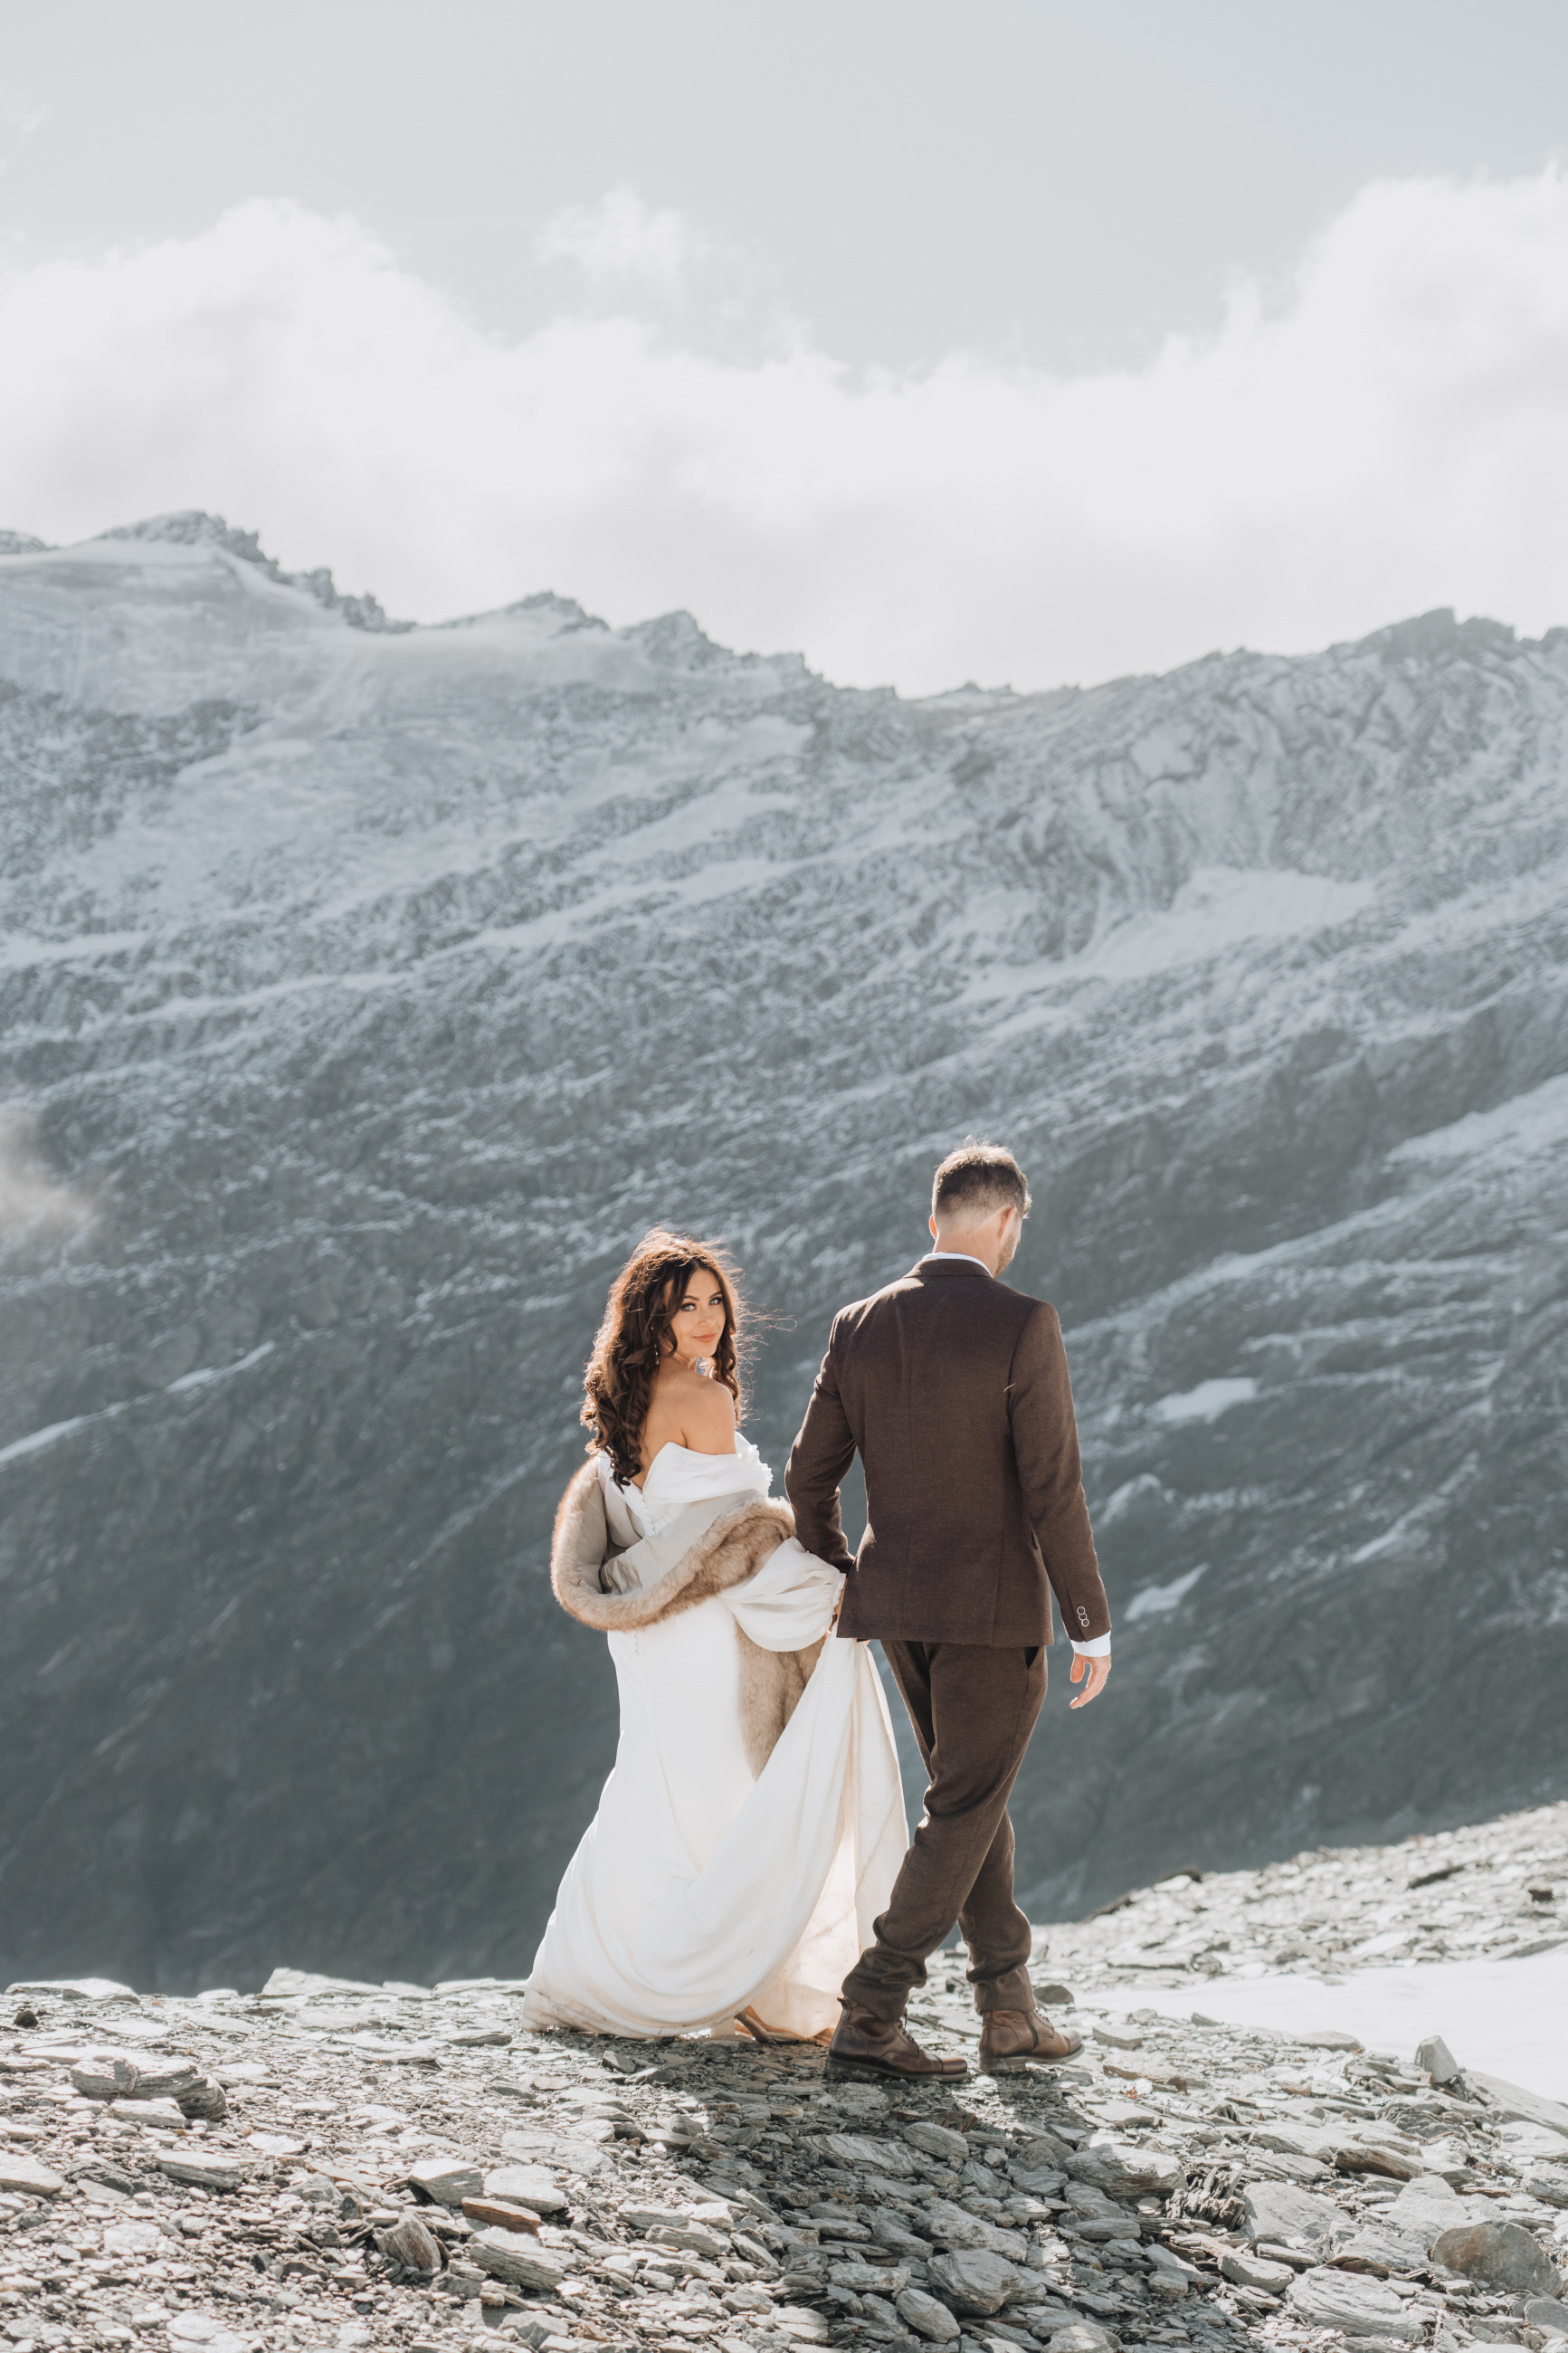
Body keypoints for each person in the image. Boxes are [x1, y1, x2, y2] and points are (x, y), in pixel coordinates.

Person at [522, 1230, 908, 2040]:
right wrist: (838, 1591)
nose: (707, 1320)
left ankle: (598, 1971)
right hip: (702, 1627)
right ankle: (720, 1979)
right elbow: (738, 1538)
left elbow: (659, 1525)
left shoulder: (623, 1404)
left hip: (645, 1634)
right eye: (685, 1306)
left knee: (652, 1791)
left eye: (713, 1302)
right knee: (731, 1803)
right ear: (649, 1317)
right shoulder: (704, 1398)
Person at [786, 1141, 1112, 2081]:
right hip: (994, 1611)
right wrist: (1086, 1617)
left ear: (935, 1220)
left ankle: (1005, 2004)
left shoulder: (857, 1323)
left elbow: (808, 1473)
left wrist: (842, 1563)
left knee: (973, 1797)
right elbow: (1052, 1485)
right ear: (1007, 1220)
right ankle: (874, 2004)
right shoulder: (1022, 1321)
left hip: (897, 1608)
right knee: (965, 1801)